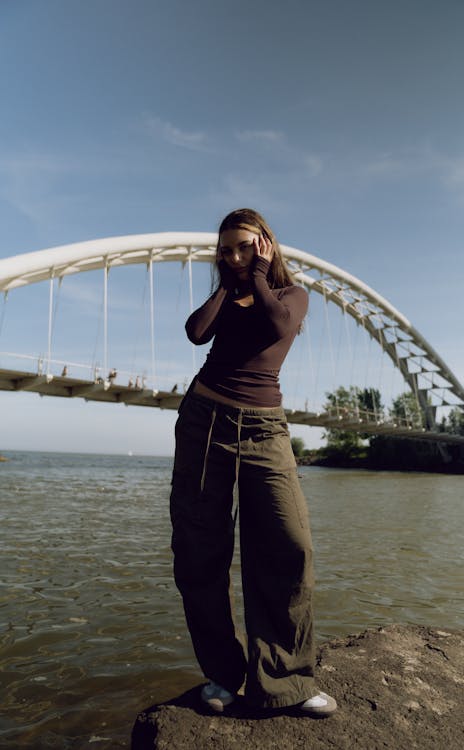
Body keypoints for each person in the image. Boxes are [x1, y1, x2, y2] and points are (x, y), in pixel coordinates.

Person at [169, 208, 337, 718]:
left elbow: (279, 322)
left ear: (265, 243)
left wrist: (259, 275)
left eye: (245, 246)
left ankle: (284, 679)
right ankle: (222, 673)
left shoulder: (291, 295)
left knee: (289, 545)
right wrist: (227, 281)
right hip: (204, 421)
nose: (236, 256)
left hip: (264, 431)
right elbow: (197, 332)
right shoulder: (229, 293)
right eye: (226, 250)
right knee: (199, 550)